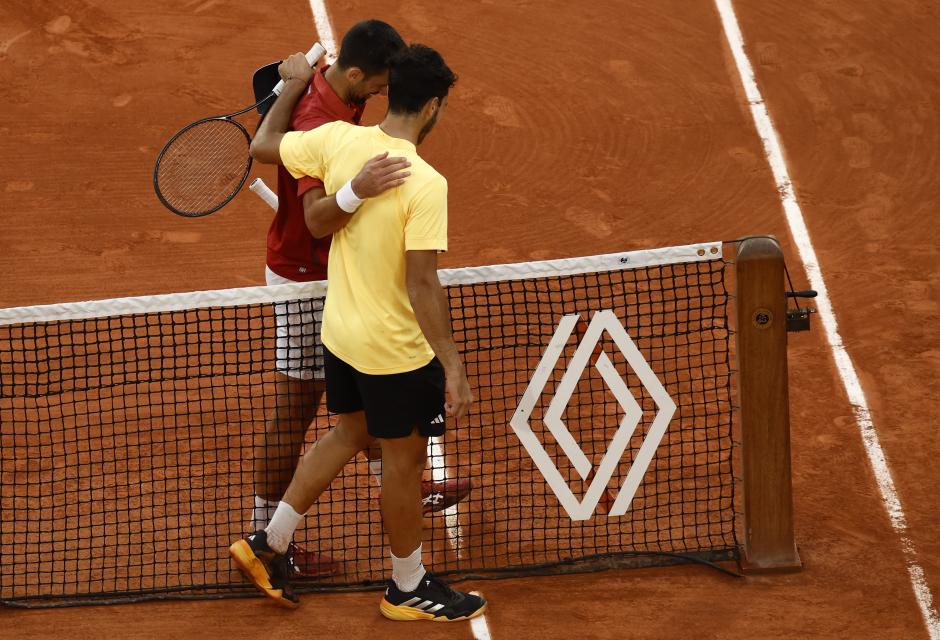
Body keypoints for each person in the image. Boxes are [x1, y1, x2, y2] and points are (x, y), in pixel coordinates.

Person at [230, 44, 487, 621]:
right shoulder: (425, 182)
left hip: (341, 334)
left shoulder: (338, 139)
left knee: (348, 434)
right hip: (394, 351)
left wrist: (290, 86)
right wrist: (451, 363)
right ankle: (407, 586)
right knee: (402, 466)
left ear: (390, 94)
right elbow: (422, 284)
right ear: (432, 108)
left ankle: (267, 542)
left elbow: (264, 147)